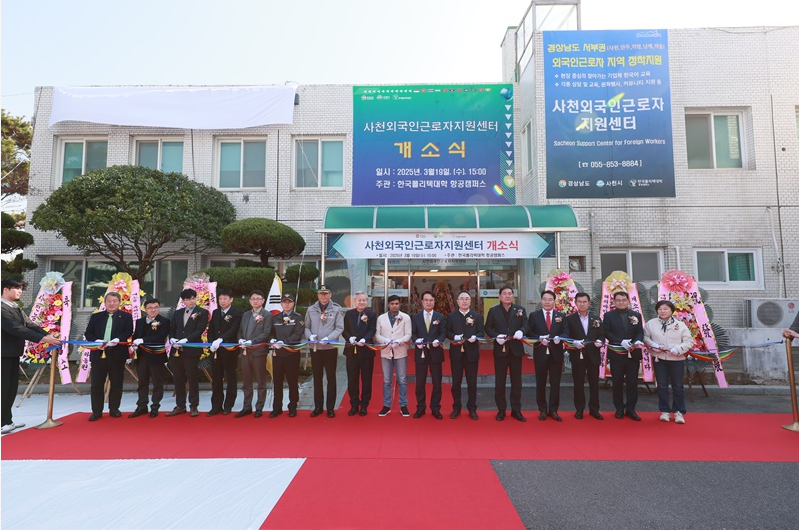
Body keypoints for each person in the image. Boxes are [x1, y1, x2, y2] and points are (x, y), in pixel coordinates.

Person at [1, 278, 60, 433]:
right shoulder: (2, 309)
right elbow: (16, 329)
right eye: (17, 288)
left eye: (21, 288)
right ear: (5, 290)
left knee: (11, 388)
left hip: (13, 354)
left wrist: (47, 335)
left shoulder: (15, 308)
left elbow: (30, 325)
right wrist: (43, 339)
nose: (20, 291)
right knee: (3, 388)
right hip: (3, 355)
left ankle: (7, 420)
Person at [84, 291, 134, 421]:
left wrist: (118, 339)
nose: (112, 303)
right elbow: (88, 333)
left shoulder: (126, 317)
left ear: (119, 302)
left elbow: (129, 331)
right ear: (105, 303)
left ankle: (114, 409)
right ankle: (96, 411)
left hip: (117, 354)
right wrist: (96, 341)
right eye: (109, 301)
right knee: (96, 384)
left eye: (115, 301)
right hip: (98, 353)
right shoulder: (96, 317)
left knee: (116, 383)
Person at [644, 300, 693, 424]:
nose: (662, 311)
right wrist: (653, 345)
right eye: (660, 309)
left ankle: (678, 412)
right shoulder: (651, 324)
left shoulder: (680, 325)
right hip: (659, 358)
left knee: (678, 386)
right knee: (662, 386)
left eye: (665, 309)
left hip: (676, 359)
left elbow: (688, 342)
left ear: (672, 310)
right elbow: (645, 337)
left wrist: (678, 349)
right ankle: (664, 411)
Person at [484, 286, 529, 422]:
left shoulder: (520, 310)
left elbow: (526, 325)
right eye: (504, 294)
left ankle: (516, 410)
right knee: (500, 382)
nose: (507, 296)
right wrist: (495, 336)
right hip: (500, 350)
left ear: (513, 296)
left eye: (510, 293)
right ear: (499, 296)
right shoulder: (493, 311)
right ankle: (501, 410)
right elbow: (488, 327)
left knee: (517, 382)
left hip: (516, 350)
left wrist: (521, 331)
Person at [603, 291, 645, 421]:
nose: (621, 302)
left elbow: (640, 331)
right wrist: (620, 341)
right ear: (614, 302)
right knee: (617, 382)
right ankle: (619, 408)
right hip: (616, 354)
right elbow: (606, 332)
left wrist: (637, 341)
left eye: (623, 300)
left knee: (632, 383)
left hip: (633, 354)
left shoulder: (636, 315)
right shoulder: (609, 315)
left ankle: (631, 409)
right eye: (618, 300)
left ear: (628, 301)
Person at [167, 288, 209, 417]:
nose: (191, 301)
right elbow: (172, 329)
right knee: (178, 378)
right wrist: (172, 339)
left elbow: (200, 330)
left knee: (192, 378)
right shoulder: (178, 313)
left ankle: (194, 405)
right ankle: (180, 406)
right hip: (177, 350)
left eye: (193, 298)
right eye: (188, 299)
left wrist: (186, 340)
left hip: (191, 350)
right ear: (183, 301)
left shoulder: (202, 312)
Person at [527, 290, 568, 421]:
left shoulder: (561, 315)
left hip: (556, 354)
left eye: (550, 299)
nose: (547, 302)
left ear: (554, 301)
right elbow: (529, 332)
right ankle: (542, 409)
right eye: (545, 299)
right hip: (540, 353)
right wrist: (539, 338)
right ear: (541, 301)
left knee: (555, 383)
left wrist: (559, 338)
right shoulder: (534, 316)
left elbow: (566, 332)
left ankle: (554, 410)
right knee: (541, 383)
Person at [305, 285, 345, 418]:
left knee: (331, 378)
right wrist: (310, 336)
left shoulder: (336, 309)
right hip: (315, 348)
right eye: (321, 293)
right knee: (317, 378)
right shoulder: (311, 309)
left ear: (330, 295)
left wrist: (330, 338)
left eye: (326, 293)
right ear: (317, 295)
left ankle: (330, 407)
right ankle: (318, 407)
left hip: (330, 348)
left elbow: (339, 327)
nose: (323, 296)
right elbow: (306, 327)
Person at [564, 292, 605, 420]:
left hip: (593, 355)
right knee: (578, 383)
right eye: (579, 302)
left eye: (584, 302)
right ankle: (579, 409)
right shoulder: (570, 319)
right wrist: (573, 343)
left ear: (589, 303)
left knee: (594, 384)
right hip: (578, 355)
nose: (582, 304)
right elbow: (566, 336)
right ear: (575, 303)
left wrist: (600, 341)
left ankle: (594, 409)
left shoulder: (596, 319)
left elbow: (601, 334)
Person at [446, 290, 484, 420]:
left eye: (467, 299)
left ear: (470, 301)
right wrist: (454, 336)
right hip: (456, 354)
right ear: (457, 301)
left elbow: (481, 332)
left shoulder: (477, 316)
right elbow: (447, 332)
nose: (464, 301)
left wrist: (475, 337)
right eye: (461, 298)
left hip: (471, 354)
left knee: (472, 383)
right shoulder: (451, 316)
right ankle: (456, 407)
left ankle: (472, 408)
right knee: (456, 383)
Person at [129, 298, 170, 418]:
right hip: (141, 356)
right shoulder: (140, 321)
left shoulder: (164, 321)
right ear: (145, 309)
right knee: (142, 382)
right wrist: (134, 344)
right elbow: (136, 336)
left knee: (157, 383)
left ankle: (155, 406)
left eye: (156, 307)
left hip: (156, 356)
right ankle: (142, 406)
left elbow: (161, 337)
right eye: (150, 308)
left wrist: (143, 340)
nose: (153, 310)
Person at [236, 289, 273, 418]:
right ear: (250, 301)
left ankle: (259, 407)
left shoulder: (266, 315)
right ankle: (247, 407)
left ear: (263, 300)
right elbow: (240, 330)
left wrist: (252, 341)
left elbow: (266, 333)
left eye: (258, 299)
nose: (255, 301)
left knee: (260, 381)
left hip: (258, 352)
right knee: (246, 381)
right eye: (253, 299)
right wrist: (240, 339)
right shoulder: (245, 314)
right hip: (245, 352)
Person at [374, 294, 412, 417]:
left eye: (396, 304)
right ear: (388, 305)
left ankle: (403, 405)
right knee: (386, 380)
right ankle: (386, 405)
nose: (394, 306)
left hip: (400, 352)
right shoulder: (381, 318)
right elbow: (377, 334)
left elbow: (408, 334)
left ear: (399, 304)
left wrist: (399, 341)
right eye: (392, 304)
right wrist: (385, 340)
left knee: (402, 379)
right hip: (386, 352)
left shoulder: (405, 317)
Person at [411, 291, 447, 419]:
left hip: (435, 353)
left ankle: (435, 408)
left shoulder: (440, 317)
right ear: (422, 301)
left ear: (434, 302)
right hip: (421, 353)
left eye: (431, 300)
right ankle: (420, 407)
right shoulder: (416, 317)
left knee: (437, 382)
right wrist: (417, 341)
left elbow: (443, 333)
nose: (428, 302)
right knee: (420, 382)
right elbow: (413, 333)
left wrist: (439, 340)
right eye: (426, 300)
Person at [207, 288, 243, 416]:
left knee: (231, 377)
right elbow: (211, 329)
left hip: (230, 351)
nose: (222, 301)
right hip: (216, 350)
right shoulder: (216, 312)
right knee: (216, 378)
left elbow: (234, 329)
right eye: (220, 299)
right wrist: (211, 343)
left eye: (225, 299)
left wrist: (221, 339)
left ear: (231, 299)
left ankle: (228, 405)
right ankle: (216, 405)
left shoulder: (237, 313)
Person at [269, 293, 305, 417]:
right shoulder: (276, 318)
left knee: (292, 381)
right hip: (278, 354)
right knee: (277, 381)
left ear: (293, 303)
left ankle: (293, 406)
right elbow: (271, 332)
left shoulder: (298, 317)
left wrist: (284, 342)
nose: (287, 304)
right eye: (285, 302)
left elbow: (298, 334)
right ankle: (277, 407)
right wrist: (272, 340)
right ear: (281, 303)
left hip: (291, 354)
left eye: (289, 302)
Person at [342, 291, 377, 416]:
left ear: (367, 301)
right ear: (355, 301)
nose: (362, 302)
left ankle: (364, 405)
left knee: (366, 380)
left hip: (366, 351)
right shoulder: (349, 314)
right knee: (352, 379)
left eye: (364, 300)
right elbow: (344, 330)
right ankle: (354, 404)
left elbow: (372, 330)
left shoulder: (371, 314)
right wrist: (349, 338)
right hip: (351, 351)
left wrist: (365, 339)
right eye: (359, 300)